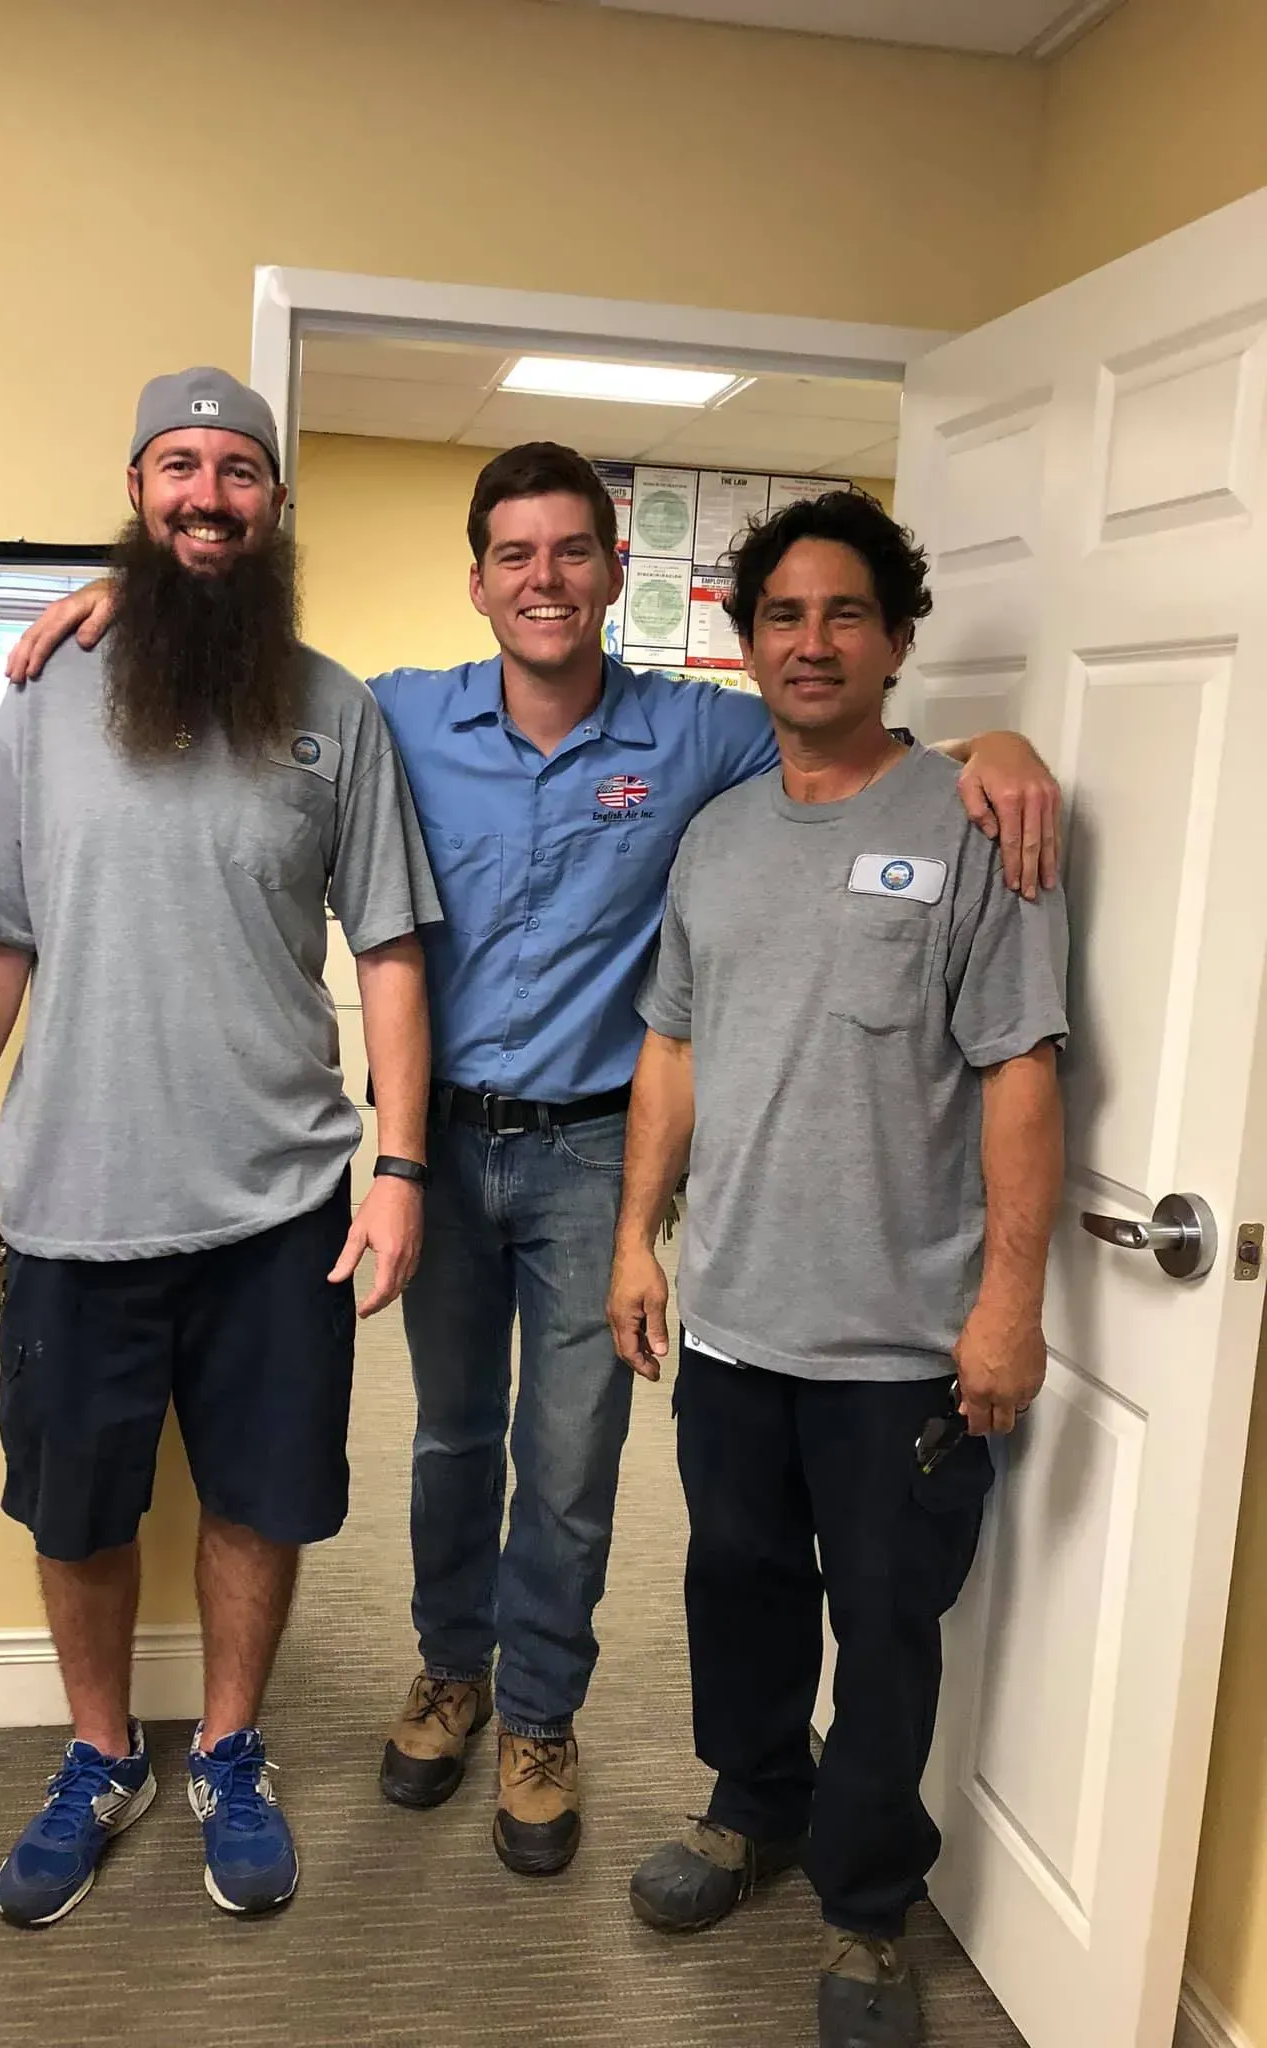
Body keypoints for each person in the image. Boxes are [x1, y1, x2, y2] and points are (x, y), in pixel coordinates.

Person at [7, 444, 1061, 1880]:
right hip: (434, 1147)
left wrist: (993, 749)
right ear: (479, 580)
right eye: (516, 554)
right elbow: (240, 667)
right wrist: (123, 597)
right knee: (448, 1438)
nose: (545, 579)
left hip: (592, 1155)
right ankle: (452, 1671)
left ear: (617, 574)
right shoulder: (392, 715)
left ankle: (541, 1717)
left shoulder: (698, 734)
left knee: (569, 1458)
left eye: (574, 551)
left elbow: (848, 739)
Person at [0, 368, 441, 1930]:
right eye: (178, 465)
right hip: (78, 1197)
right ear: (136, 492)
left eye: (239, 469)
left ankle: (233, 1751)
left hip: (283, 1204)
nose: (208, 493)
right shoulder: (47, 697)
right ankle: (102, 1754)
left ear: (276, 503)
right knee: (80, 1510)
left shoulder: (337, 711)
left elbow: (391, 947)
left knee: (263, 1497)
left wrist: (400, 1167)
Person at [606, 491, 1067, 2048]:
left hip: (899, 1346)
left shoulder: (976, 824)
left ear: (897, 639)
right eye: (783, 617)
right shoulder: (719, 838)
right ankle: (753, 1804)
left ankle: (868, 1909)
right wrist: (637, 1239)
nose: (812, 643)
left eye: (845, 613)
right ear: (749, 647)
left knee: (885, 1634)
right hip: (737, 1322)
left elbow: (1019, 1070)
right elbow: (672, 1050)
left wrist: (1010, 1305)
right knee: (735, 1589)